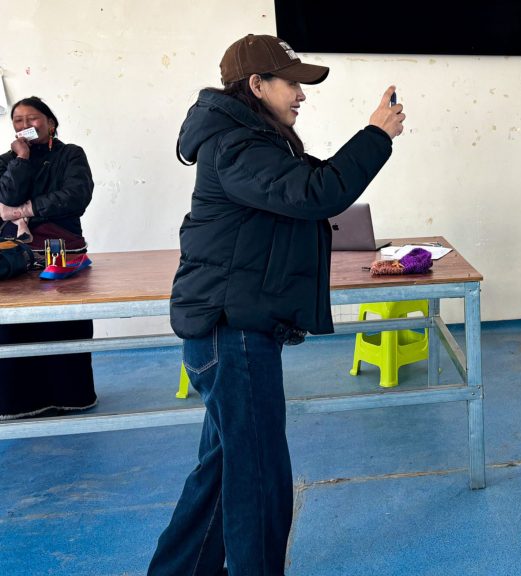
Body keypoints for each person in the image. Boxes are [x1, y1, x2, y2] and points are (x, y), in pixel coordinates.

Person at [148, 34, 404, 575]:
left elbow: (310, 186)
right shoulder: (236, 145)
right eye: (292, 83)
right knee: (257, 476)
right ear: (257, 85)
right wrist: (375, 136)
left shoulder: (251, 138)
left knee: (225, 471)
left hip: (231, 327)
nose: (301, 96)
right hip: (231, 332)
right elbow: (317, 192)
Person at [0, 96, 97, 420]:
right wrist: (21, 160)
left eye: (33, 118)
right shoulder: (7, 160)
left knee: (63, 320)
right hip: (14, 254)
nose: (25, 125)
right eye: (18, 120)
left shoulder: (71, 155)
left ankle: (72, 398)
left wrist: (28, 210)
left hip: (62, 251)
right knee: (14, 323)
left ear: (51, 123)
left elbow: (75, 196)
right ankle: (19, 403)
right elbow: (6, 198)